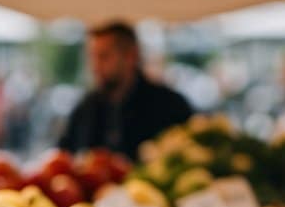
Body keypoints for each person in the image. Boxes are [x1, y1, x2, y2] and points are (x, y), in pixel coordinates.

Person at [60, 21, 192, 159]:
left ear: (131, 56)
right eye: (92, 57)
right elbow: (65, 154)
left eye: (104, 56)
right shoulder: (85, 108)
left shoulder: (169, 106)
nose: (95, 66)